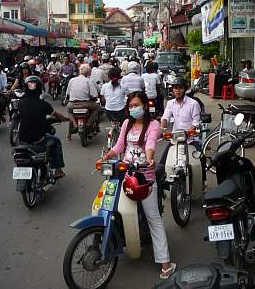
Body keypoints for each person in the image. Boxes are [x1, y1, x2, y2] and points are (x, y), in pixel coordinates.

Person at [100, 91, 176, 279]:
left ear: (144, 105)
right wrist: (107, 156)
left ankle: (165, 263)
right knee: (110, 206)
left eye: (136, 105)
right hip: (125, 174)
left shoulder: (154, 124)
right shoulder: (127, 123)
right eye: (130, 106)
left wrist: (150, 159)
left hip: (145, 178)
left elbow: (150, 144)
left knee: (154, 220)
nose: (133, 108)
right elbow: (119, 146)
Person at [18, 76, 69, 178]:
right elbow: (56, 115)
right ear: (39, 89)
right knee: (56, 141)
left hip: (22, 139)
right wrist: (65, 119)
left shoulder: (21, 103)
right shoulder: (44, 105)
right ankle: (58, 170)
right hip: (38, 140)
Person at [159, 77, 203, 187]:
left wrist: (190, 131)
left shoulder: (193, 104)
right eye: (175, 88)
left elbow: (196, 122)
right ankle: (161, 185)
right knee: (162, 162)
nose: (177, 90)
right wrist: (162, 128)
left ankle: (202, 182)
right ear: (172, 89)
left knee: (200, 158)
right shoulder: (170, 103)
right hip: (175, 139)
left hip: (190, 139)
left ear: (185, 89)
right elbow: (165, 118)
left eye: (180, 88)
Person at [66, 64, 101, 140]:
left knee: (69, 111)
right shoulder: (88, 81)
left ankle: (74, 125)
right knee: (98, 108)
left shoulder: (72, 80)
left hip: (72, 104)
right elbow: (94, 95)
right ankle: (89, 123)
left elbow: (68, 93)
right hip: (86, 104)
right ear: (88, 72)